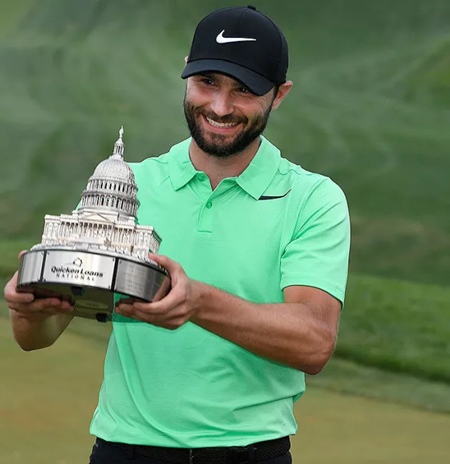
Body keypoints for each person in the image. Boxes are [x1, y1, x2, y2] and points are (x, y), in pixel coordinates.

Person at [4, 5, 350, 464]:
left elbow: (314, 341)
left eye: (244, 90)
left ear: (279, 94)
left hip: (248, 454)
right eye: (207, 83)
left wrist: (197, 302)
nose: (220, 107)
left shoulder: (313, 198)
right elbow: (38, 336)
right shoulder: (134, 183)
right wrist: (28, 310)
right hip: (122, 449)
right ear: (186, 77)